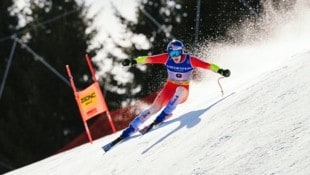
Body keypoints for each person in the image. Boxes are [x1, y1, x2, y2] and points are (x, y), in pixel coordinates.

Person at [103, 40, 230, 151]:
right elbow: (147, 59)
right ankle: (131, 128)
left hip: (183, 90)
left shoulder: (190, 60)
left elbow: (208, 66)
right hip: (169, 88)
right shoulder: (166, 58)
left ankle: (166, 114)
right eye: (172, 54)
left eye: (177, 53)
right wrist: (132, 62)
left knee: (179, 90)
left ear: (182, 51)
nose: (175, 56)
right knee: (153, 108)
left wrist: (221, 71)